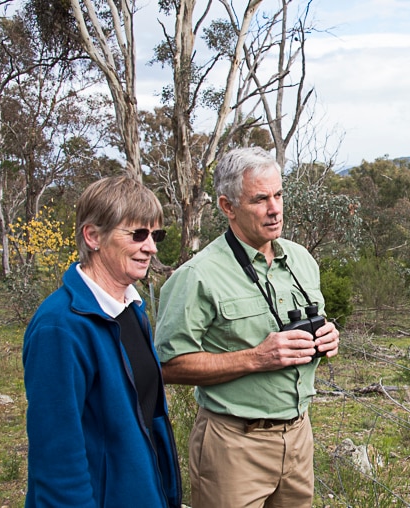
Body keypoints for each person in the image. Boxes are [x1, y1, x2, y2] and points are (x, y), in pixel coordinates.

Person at [154, 146, 340, 508]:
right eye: (260, 199)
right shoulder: (197, 276)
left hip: (299, 436)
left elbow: (311, 328)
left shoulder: (301, 260)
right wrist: (256, 358)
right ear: (228, 207)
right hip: (233, 443)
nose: (275, 209)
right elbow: (167, 365)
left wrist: (328, 337)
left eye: (279, 195)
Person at [23, 176, 182, 508]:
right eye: (137, 234)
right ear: (93, 236)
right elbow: (56, 460)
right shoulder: (60, 327)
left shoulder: (131, 309)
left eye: (156, 235)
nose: (151, 247)